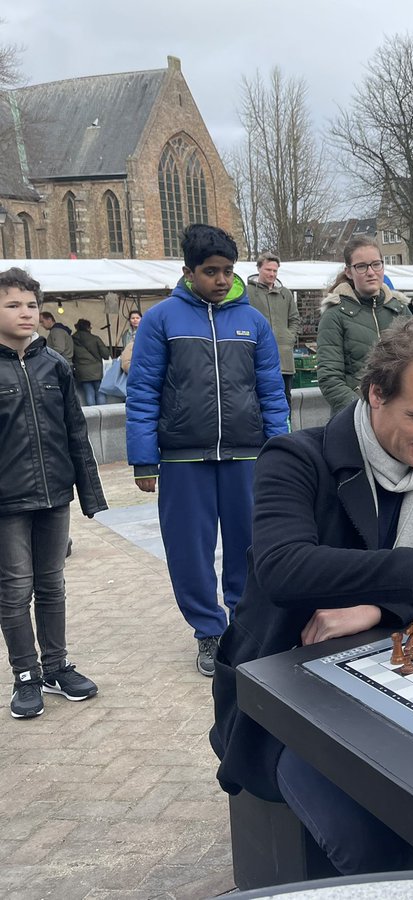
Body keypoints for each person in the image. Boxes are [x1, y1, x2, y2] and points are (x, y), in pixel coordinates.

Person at [210, 318, 413, 876]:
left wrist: (377, 608)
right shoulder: (294, 458)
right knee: (369, 845)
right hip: (286, 696)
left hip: (395, 687)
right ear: (375, 393)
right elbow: (283, 569)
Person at [126, 224, 290, 677]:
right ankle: (208, 631)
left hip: (247, 455)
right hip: (183, 459)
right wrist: (144, 458)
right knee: (189, 551)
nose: (220, 279)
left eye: (227, 271)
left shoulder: (253, 321)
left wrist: (279, 450)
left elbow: (271, 392)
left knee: (249, 547)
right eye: (210, 271)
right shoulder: (162, 320)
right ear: (188, 272)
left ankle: (244, 625)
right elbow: (143, 391)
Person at [0, 267, 107, 718]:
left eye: (30, 305)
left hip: (54, 495)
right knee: (14, 590)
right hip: (7, 503)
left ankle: (56, 667)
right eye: (12, 305)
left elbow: (75, 432)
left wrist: (90, 494)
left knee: (52, 585)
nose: (25, 313)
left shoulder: (55, 365)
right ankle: (25, 675)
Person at [317, 237, 413, 415]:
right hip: (356, 417)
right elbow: (330, 377)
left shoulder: (401, 310)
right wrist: (363, 412)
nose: (371, 272)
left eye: (376, 264)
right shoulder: (334, 315)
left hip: (399, 414)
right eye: (361, 266)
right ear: (349, 272)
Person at [247, 253, 301, 409]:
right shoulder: (247, 292)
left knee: (285, 399)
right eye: (268, 270)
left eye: (275, 270)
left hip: (284, 358)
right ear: (259, 269)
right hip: (257, 358)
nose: (272, 274)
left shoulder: (286, 294)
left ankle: (287, 426)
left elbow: (294, 319)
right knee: (258, 400)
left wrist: (289, 338)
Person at [70, 318, 109, 407]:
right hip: (96, 370)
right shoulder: (95, 338)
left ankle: (93, 413)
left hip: (82, 370)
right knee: (100, 392)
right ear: (88, 328)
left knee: (89, 393)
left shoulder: (72, 340)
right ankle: (103, 411)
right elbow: (106, 354)